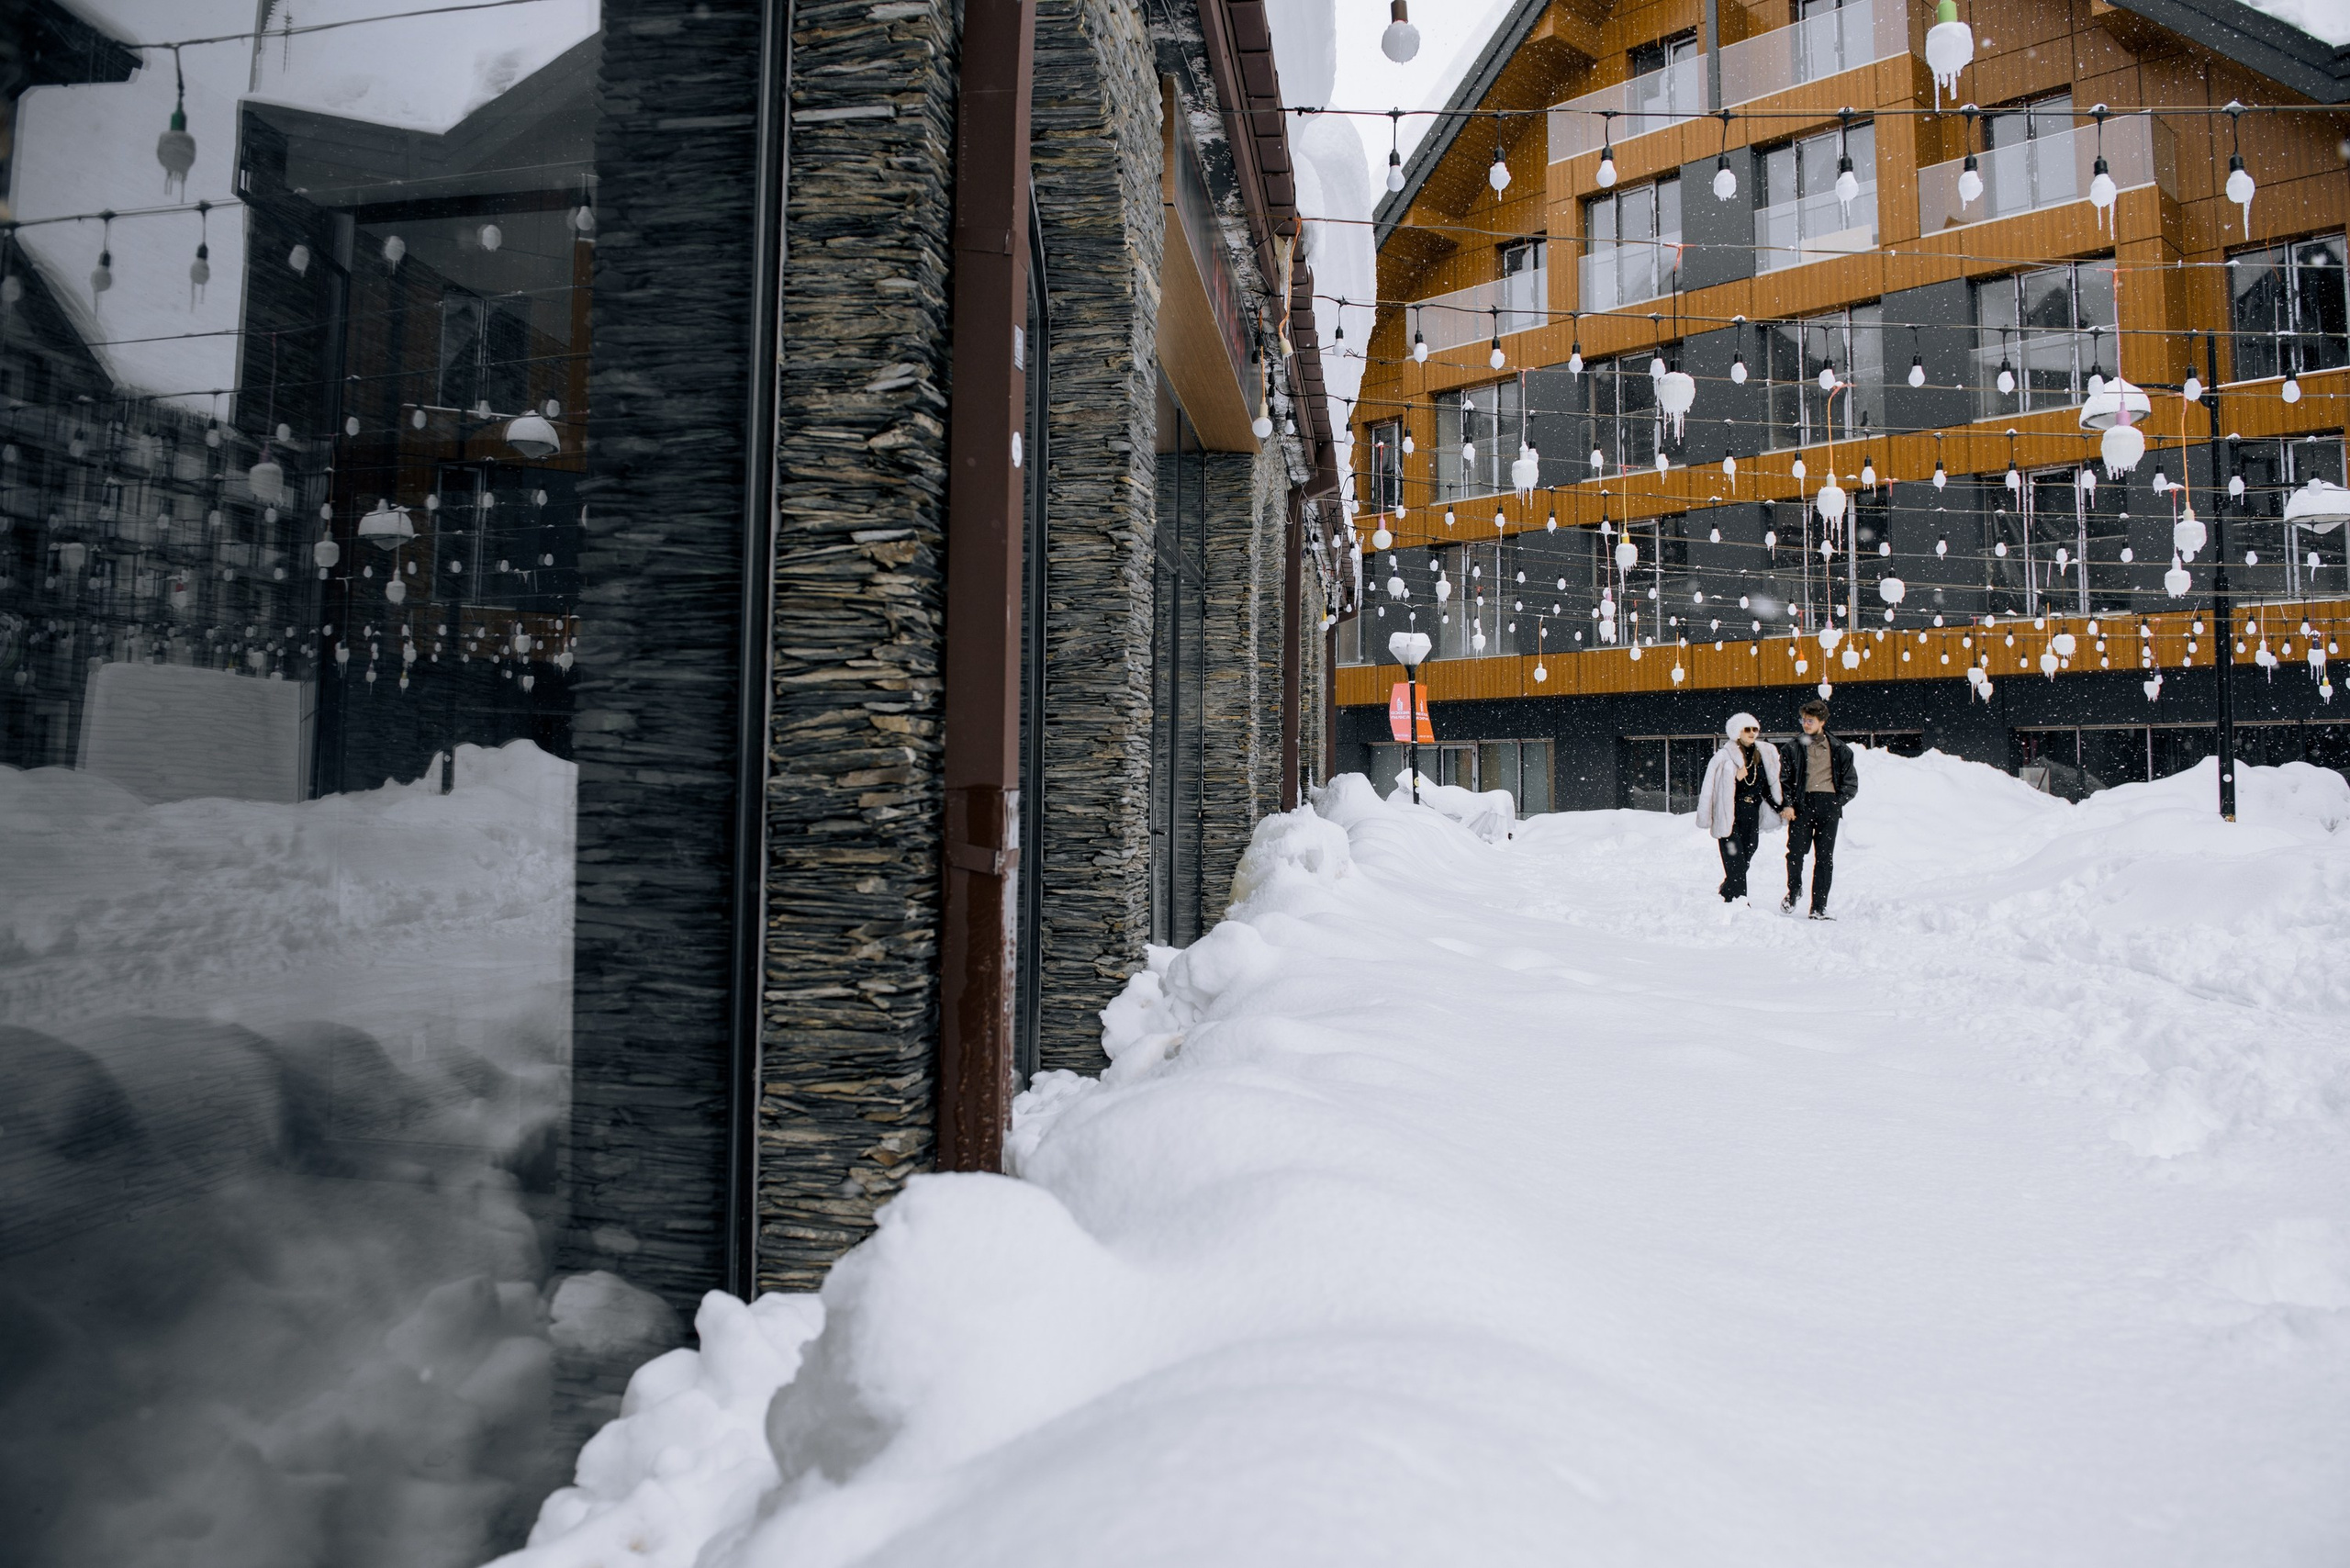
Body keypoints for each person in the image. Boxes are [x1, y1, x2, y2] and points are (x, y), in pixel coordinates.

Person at [1776, 698, 1858, 920]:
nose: (1806, 724)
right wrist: (1789, 804)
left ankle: (1818, 907)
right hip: (1802, 806)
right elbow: (1785, 780)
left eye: (1810, 720)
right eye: (1803, 720)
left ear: (1822, 721)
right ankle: (1794, 891)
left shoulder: (1840, 749)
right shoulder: (1792, 748)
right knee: (1795, 853)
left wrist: (1837, 802)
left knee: (1824, 858)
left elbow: (1851, 783)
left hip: (1829, 806)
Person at [1695, 711, 1782, 903]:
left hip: (1751, 813)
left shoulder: (1762, 755)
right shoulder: (1723, 757)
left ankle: (1729, 889)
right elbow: (1711, 788)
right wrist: (1735, 778)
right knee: (1735, 859)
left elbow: (1766, 787)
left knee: (1747, 855)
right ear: (1737, 732)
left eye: (1755, 729)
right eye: (1747, 729)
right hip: (1730, 813)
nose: (1752, 733)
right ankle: (1739, 901)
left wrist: (1780, 808)